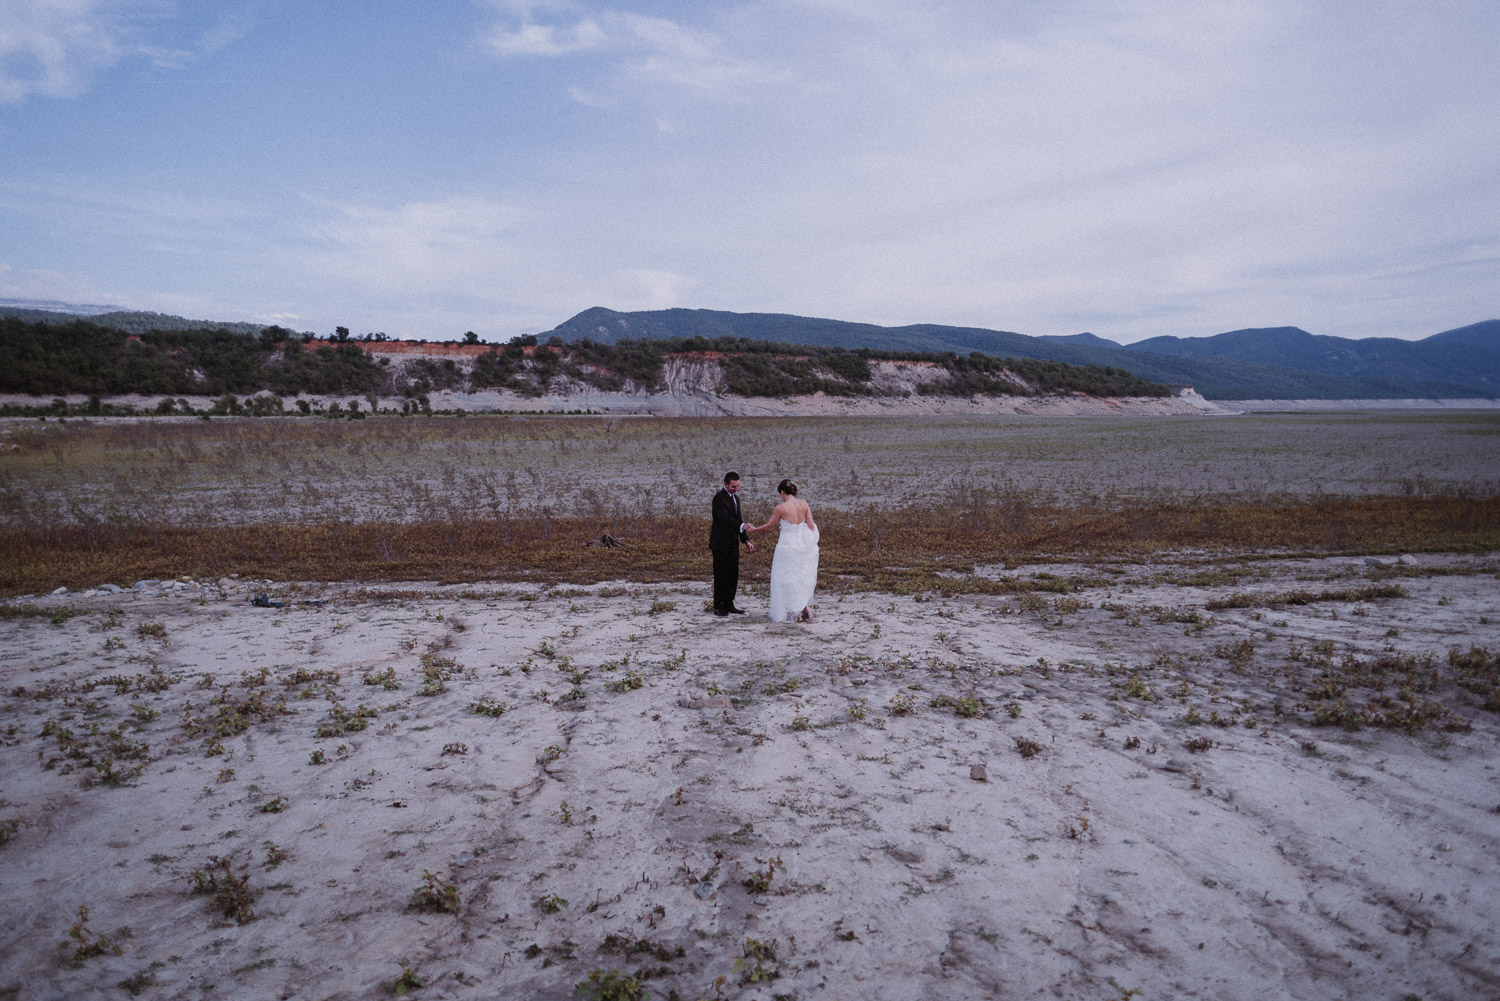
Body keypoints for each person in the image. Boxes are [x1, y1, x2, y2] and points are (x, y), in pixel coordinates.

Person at [747, 479, 819, 622]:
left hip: (786, 547)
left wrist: (755, 530)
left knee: (784, 579)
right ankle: (805, 608)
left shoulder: (781, 508)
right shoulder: (804, 504)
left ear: (782, 492)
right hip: (801, 547)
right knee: (799, 577)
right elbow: (811, 526)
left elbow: (770, 526)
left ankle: (792, 612)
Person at [708, 471, 754, 616]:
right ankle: (718, 605)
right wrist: (742, 526)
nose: (736, 489)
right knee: (721, 575)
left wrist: (745, 539)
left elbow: (738, 519)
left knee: (732, 575)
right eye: (733, 486)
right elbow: (724, 519)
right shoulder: (719, 499)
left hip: (733, 544)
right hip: (720, 544)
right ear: (725, 484)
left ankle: (729, 603)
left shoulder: (736, 499)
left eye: (738, 486)